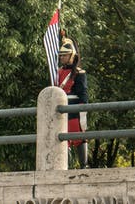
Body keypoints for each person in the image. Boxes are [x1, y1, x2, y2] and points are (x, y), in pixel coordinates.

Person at [57, 34, 88, 168]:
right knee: (62, 139)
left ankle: (84, 165)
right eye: (61, 55)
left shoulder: (79, 73)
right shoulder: (57, 72)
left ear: (71, 56)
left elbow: (83, 94)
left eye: (64, 55)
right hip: (60, 109)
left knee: (79, 136)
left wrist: (82, 110)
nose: (61, 57)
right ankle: (65, 166)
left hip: (74, 108)